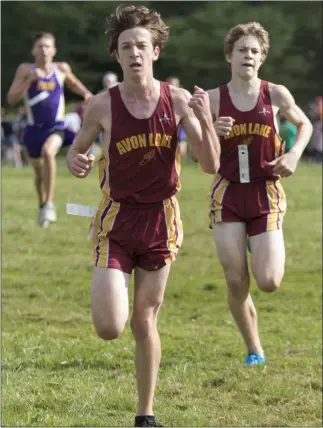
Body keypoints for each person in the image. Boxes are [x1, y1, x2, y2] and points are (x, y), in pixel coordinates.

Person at [66, 4, 220, 426]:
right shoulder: (101, 105)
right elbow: (76, 150)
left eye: (142, 45)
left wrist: (205, 123)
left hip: (161, 220)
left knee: (144, 318)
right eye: (126, 46)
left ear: (156, 50)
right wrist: (75, 161)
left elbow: (209, 164)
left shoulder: (178, 100)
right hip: (117, 221)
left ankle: (145, 414)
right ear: (116, 55)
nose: (134, 53)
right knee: (110, 326)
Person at [207, 22, 313, 366]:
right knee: (236, 279)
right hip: (228, 193)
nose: (247, 56)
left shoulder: (276, 94)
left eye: (254, 51)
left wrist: (294, 154)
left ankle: (258, 239)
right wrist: (211, 132)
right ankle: (254, 348)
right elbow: (197, 155)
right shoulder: (213, 99)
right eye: (241, 50)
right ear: (229, 56)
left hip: (265, 191)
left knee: (268, 281)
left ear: (262, 57)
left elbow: (305, 124)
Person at [7, 31, 92, 227]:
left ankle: (50, 203)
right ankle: (43, 204)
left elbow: (75, 84)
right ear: (33, 50)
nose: (44, 50)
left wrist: (88, 95)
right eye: (40, 46)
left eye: (47, 46)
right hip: (33, 129)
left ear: (54, 50)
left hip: (56, 127)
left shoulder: (61, 69)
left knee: (48, 153)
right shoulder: (25, 70)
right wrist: (29, 80)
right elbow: (11, 98)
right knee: (38, 175)